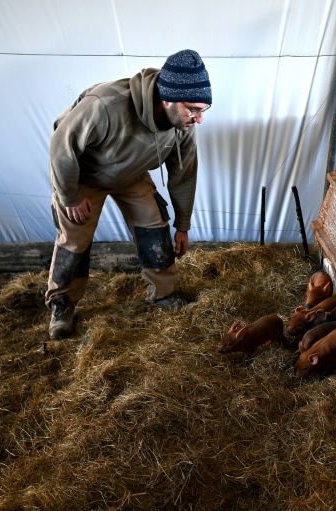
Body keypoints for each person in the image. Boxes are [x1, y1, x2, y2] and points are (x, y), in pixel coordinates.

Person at [44, 49, 212, 340]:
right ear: (168, 98)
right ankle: (62, 304)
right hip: (84, 177)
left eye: (203, 111)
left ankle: (163, 294)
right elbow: (62, 146)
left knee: (154, 224)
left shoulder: (181, 123)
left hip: (131, 174)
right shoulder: (105, 104)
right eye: (194, 109)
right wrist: (70, 196)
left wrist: (182, 225)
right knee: (75, 236)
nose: (199, 119)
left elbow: (184, 173)